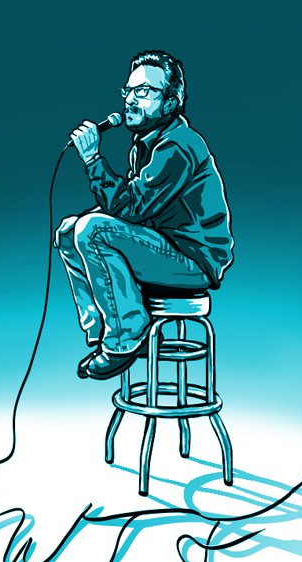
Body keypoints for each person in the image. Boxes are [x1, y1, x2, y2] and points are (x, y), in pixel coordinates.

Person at [55, 50, 234, 380]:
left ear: (170, 102)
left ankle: (126, 337)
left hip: (194, 259)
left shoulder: (178, 146)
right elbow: (134, 209)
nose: (130, 100)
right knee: (69, 231)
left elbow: (132, 208)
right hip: (165, 244)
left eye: (144, 91)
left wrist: (93, 160)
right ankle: (103, 330)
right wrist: (84, 222)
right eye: (128, 90)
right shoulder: (146, 144)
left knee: (92, 230)